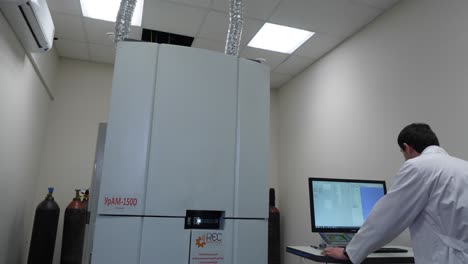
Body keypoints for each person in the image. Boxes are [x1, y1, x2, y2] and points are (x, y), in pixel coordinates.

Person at [322, 123, 468, 263]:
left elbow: (388, 215)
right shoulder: (463, 166)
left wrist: (350, 252)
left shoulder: (418, 166)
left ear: (406, 147)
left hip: (445, 257)